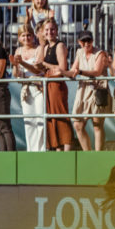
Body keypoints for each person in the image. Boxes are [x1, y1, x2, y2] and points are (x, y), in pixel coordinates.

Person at [68, 30, 110, 151]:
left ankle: (97, 155)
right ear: (79, 42)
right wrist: (58, 71)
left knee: (97, 124)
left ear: (92, 41)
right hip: (83, 90)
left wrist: (79, 72)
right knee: (78, 124)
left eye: (89, 40)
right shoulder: (79, 52)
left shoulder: (100, 53)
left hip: (98, 89)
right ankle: (88, 154)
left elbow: (96, 72)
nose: (87, 43)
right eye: (83, 41)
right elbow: (72, 71)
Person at [39, 18, 72, 151]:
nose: (49, 32)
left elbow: (62, 68)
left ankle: (67, 149)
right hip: (48, 83)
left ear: (57, 31)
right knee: (51, 118)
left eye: (52, 29)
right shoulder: (46, 47)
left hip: (57, 84)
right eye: (47, 30)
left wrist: (44, 64)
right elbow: (43, 67)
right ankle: (58, 149)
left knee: (60, 116)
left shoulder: (60, 46)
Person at [11, 24, 45, 151]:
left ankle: (41, 151)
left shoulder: (39, 49)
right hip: (26, 88)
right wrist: (15, 65)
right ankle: (31, 150)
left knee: (40, 119)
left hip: (39, 87)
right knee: (29, 121)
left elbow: (37, 70)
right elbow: (16, 74)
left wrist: (22, 62)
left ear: (33, 36)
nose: (26, 38)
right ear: (19, 38)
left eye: (29, 35)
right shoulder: (18, 51)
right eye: (23, 35)